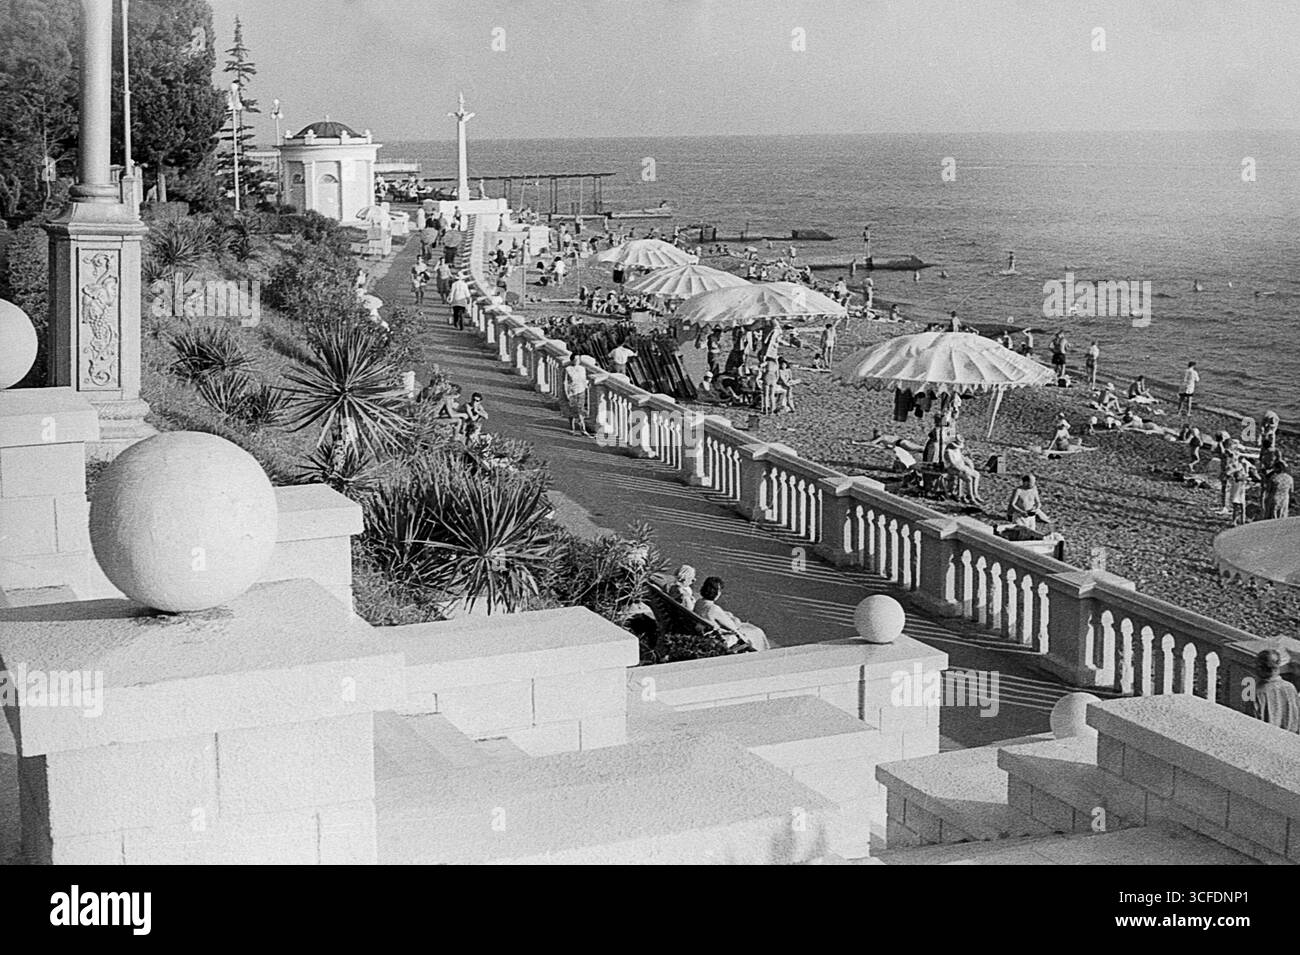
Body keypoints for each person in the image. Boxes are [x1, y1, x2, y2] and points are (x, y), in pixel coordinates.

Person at [693, 576, 770, 651]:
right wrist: (734, 619)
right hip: (719, 639)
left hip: (706, 633)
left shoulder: (699, 602)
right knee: (757, 631)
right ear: (716, 593)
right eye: (719, 591)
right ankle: (763, 652)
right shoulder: (714, 609)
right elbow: (733, 627)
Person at [1252, 649, 1299, 733]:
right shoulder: (1290, 687)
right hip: (1290, 739)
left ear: (1259, 667)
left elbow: (1252, 724)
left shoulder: (1257, 693)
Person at [943, 435, 985, 505]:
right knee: (969, 479)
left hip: (962, 467)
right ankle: (971, 497)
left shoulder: (957, 450)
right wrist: (964, 469)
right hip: (953, 469)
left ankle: (975, 494)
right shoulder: (949, 452)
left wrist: (969, 464)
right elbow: (953, 464)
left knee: (976, 474)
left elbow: (962, 458)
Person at [562, 354, 590, 435]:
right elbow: (565, 382)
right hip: (572, 392)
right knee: (572, 410)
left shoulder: (582, 369)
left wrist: (586, 387)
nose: (577, 361)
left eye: (578, 359)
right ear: (572, 360)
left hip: (581, 390)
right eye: (575, 359)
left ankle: (583, 429)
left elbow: (584, 379)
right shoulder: (568, 369)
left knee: (580, 409)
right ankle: (572, 428)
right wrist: (566, 393)